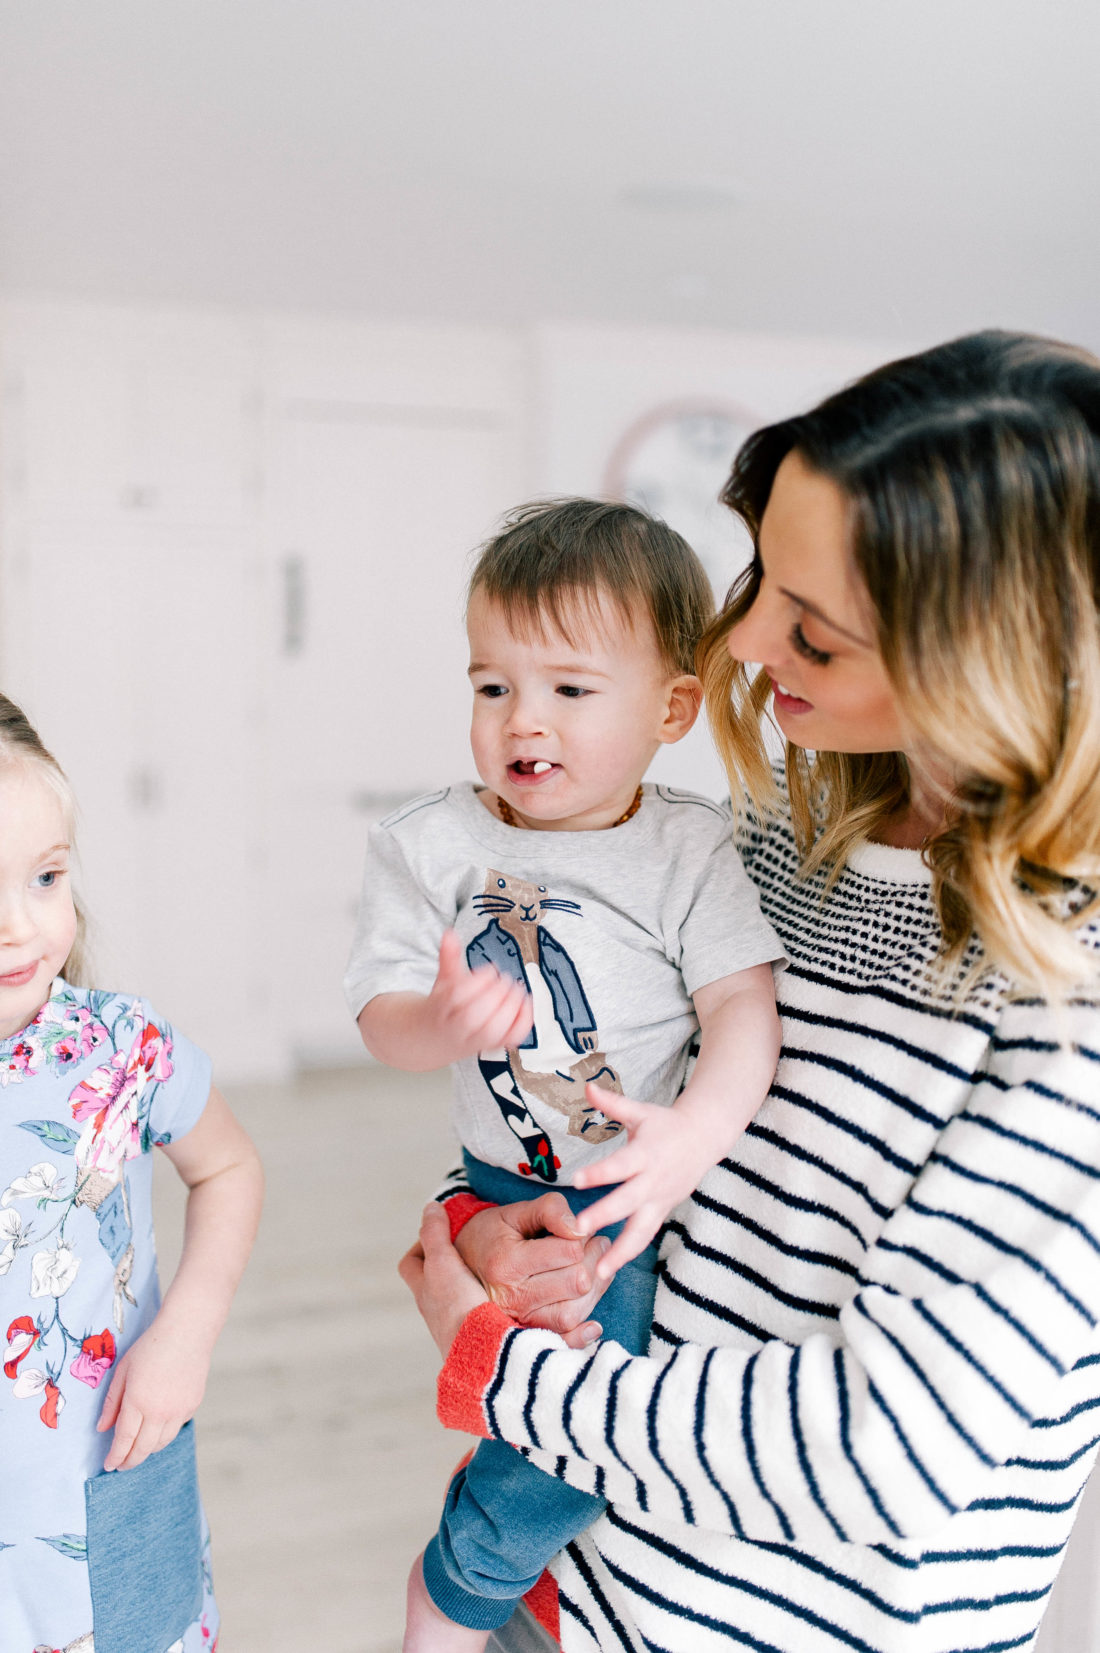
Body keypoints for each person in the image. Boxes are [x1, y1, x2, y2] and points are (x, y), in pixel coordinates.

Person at [399, 331, 1100, 1653]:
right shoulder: (766, 848)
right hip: (579, 1583)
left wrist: (502, 1370)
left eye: (814, 628)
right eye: (762, 575)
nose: (739, 638)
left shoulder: (1067, 1010)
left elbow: (883, 1449)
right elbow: (584, 1123)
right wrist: (491, 1227)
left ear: (985, 663)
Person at [344, 498, 786, 1650]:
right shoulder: (429, 842)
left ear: (671, 709)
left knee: (581, 1425)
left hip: (625, 1188)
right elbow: (380, 1021)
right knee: (536, 1401)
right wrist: (435, 1022)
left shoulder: (687, 848)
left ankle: (465, 1578)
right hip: (493, 1179)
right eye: (492, 686)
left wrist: (689, 1137)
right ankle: (473, 1589)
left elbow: (741, 1006)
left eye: (569, 690)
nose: (519, 721)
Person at [0, 694, 264, 1653]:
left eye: (44, 876)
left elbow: (228, 1164)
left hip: (106, 1492)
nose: (16, 923)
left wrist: (185, 1334)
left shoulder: (121, 1048)